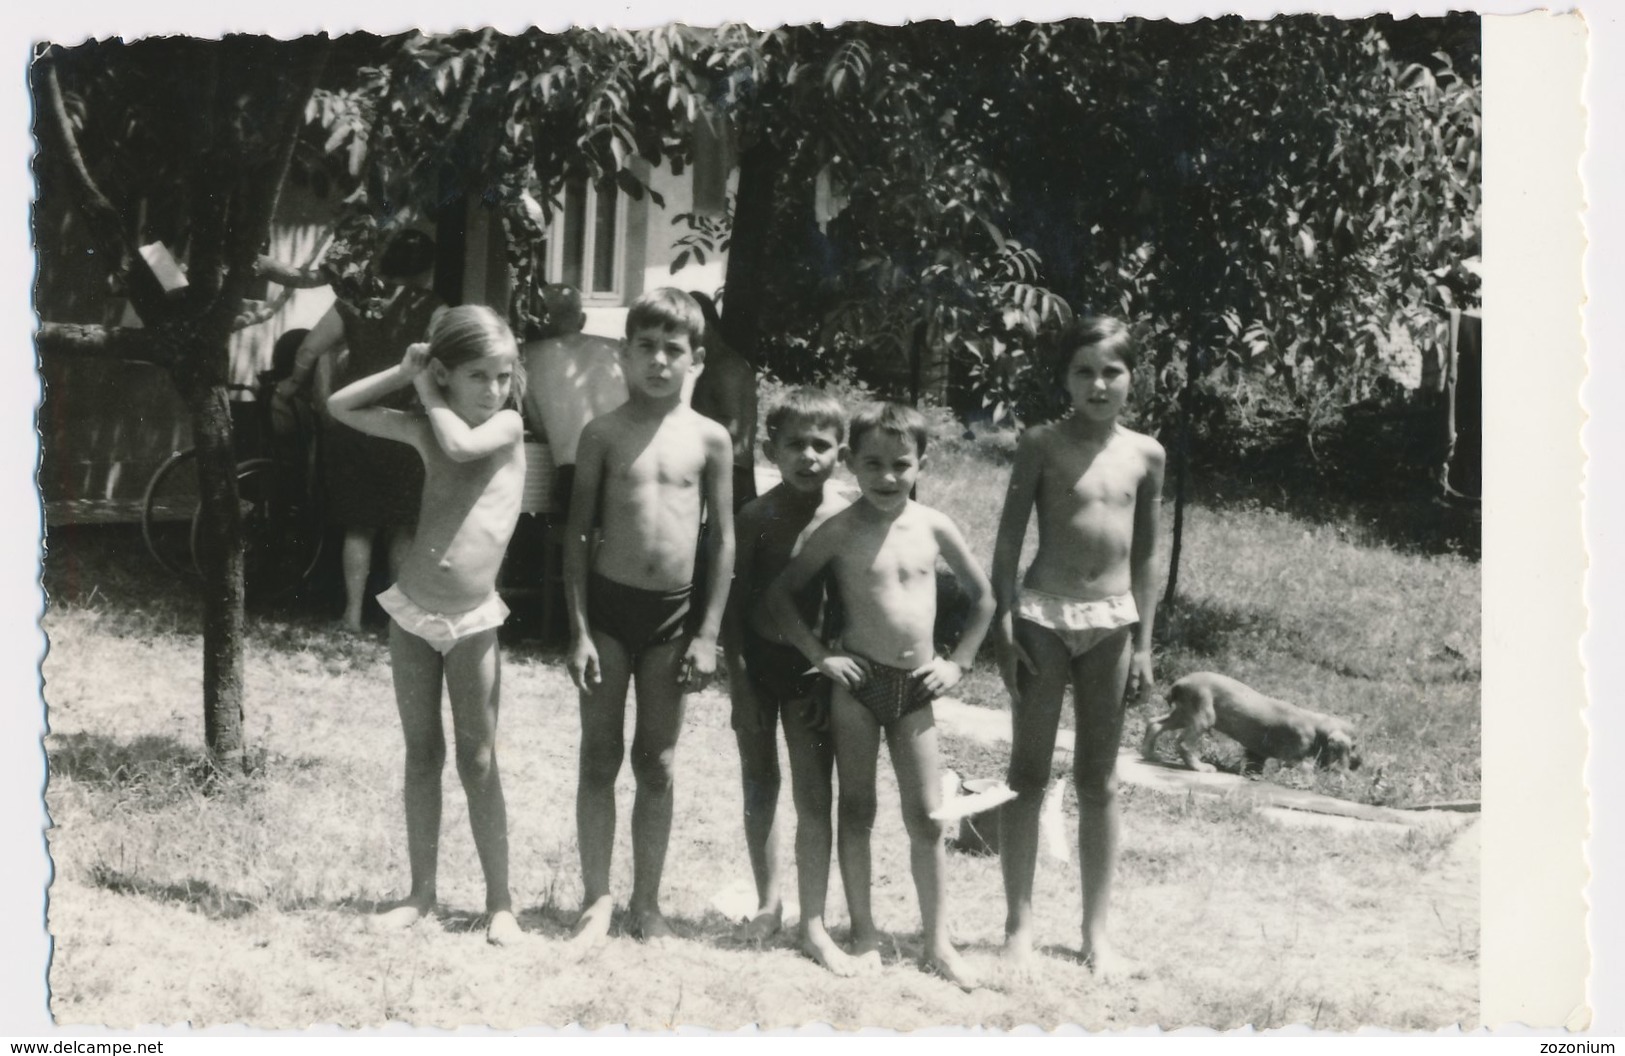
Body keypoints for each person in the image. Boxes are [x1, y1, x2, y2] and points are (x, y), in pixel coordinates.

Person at [766, 402, 995, 990]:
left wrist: (959, 662)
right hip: (859, 686)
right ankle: (864, 930)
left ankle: (937, 942)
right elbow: (782, 597)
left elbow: (985, 597)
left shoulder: (935, 525)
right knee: (858, 809)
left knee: (926, 816)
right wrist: (822, 656)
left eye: (901, 464)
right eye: (872, 464)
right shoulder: (838, 530)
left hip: (917, 688)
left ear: (922, 462)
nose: (887, 477)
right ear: (850, 463)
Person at [326, 305, 528, 947]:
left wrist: (425, 388)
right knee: (423, 754)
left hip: (471, 620)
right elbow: (340, 406)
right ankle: (421, 892)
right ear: (446, 373)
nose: (493, 390)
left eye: (502, 375)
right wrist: (405, 369)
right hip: (413, 610)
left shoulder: (506, 426)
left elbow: (460, 445)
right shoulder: (426, 425)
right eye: (477, 376)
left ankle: (501, 903)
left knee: (479, 758)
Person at [991, 316, 1164, 977]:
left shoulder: (1146, 454)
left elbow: (1146, 552)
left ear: (1131, 380)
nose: (1097, 384)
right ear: (1064, 379)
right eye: (1083, 371)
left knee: (1098, 779)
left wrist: (1143, 642)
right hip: (1041, 614)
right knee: (1028, 774)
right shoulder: (1040, 443)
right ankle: (1018, 926)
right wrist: (1005, 622)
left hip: (1113, 623)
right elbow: (1008, 538)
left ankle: (1096, 933)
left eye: (1110, 372)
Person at [563, 288, 735, 950]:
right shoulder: (602, 432)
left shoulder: (710, 439)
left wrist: (710, 632)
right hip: (607, 612)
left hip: (674, 620)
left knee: (657, 762)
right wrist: (577, 630)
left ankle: (648, 903)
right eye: (646, 348)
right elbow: (577, 535)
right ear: (624, 357)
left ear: (694, 358)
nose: (659, 361)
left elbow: (721, 540)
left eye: (674, 349)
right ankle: (595, 897)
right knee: (599, 755)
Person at [721, 388, 854, 972]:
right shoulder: (756, 516)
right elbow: (731, 604)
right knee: (759, 782)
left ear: (841, 453)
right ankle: (768, 900)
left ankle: (813, 916)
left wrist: (829, 679)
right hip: (758, 663)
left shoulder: (846, 519)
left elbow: (850, 607)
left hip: (813, 672)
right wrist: (740, 682)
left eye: (821, 445)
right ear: (770, 449)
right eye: (794, 444)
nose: (808, 456)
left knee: (813, 793)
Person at [278, 229, 444, 632]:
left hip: (355, 419)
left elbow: (308, 350)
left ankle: (351, 614)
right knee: (401, 527)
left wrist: (291, 384)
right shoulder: (436, 309)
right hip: (405, 425)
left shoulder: (353, 302)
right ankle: (395, 621)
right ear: (426, 268)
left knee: (360, 525)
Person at [519, 284, 629, 512]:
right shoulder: (617, 349)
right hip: (626, 468)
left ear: (541, 320)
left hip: (575, 476)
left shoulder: (530, 356)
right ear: (583, 319)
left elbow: (540, 430)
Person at [688, 291, 759, 513]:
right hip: (713, 463)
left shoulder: (727, 368)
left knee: (732, 537)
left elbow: (733, 428)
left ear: (706, 328)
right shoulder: (708, 364)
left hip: (732, 470)